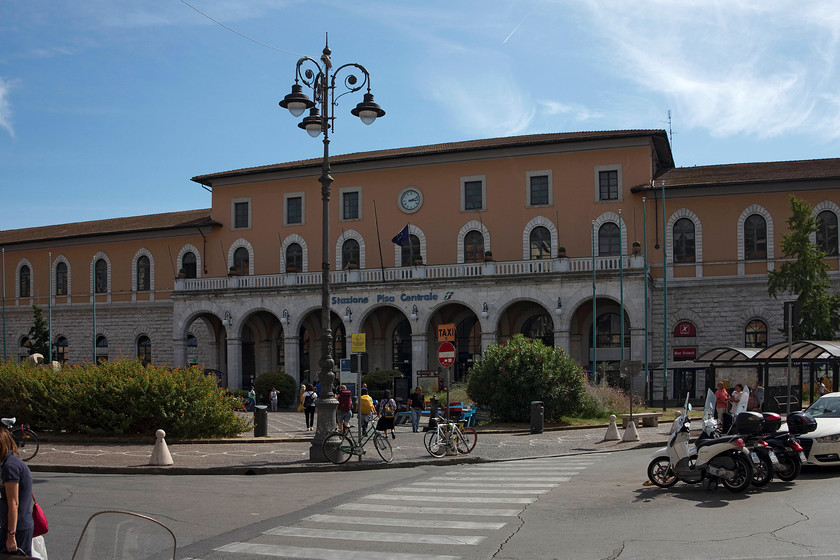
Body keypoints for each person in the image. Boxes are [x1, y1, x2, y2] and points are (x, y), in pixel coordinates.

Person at [1, 429, 34, 557]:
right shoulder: (12, 462)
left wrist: (11, 535)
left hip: (17, 528)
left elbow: (13, 503)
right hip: (19, 525)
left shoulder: (9, 467)